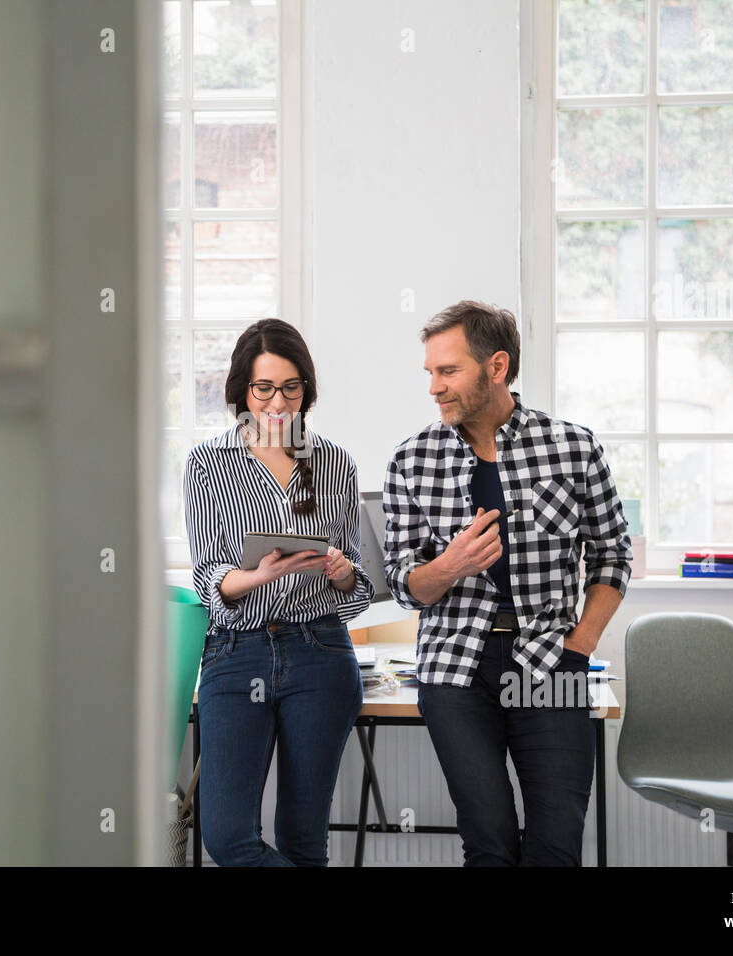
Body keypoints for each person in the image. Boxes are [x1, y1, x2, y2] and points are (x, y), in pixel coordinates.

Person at [381, 300, 631, 866]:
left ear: (496, 367)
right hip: (454, 671)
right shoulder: (411, 460)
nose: (434, 387)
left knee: (555, 845)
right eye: (430, 373)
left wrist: (583, 642)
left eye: (448, 372)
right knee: (489, 846)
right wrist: (450, 565)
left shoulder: (573, 446)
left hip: (552, 661)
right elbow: (401, 582)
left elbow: (612, 553)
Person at [184, 317, 374, 866]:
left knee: (303, 841)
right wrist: (258, 575)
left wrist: (339, 570)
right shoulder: (208, 462)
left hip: (320, 652)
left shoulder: (335, 463)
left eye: (290, 388)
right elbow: (206, 577)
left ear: (305, 391)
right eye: (263, 387)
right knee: (227, 838)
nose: (277, 402)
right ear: (243, 390)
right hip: (235, 652)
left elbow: (358, 584)